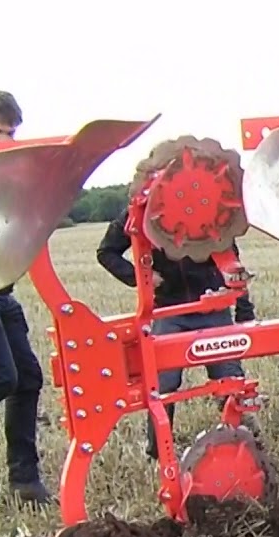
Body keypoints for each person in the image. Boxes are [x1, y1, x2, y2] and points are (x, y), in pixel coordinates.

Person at [96, 197, 259, 461]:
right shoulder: (139, 212)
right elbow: (107, 252)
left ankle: (244, 443)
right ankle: (158, 452)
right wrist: (141, 277)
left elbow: (231, 259)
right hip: (170, 310)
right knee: (163, 385)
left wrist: (243, 308)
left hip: (212, 308)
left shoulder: (209, 206)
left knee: (230, 378)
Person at [0, 91, 52, 505]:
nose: (5, 141)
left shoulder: (5, 180)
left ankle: (25, 483)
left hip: (1, 292)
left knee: (27, 379)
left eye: (12, 134)